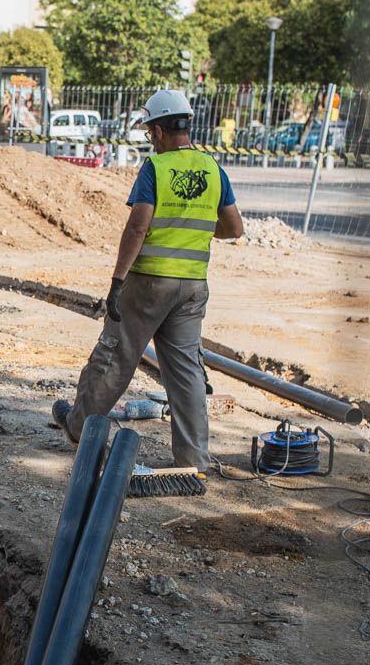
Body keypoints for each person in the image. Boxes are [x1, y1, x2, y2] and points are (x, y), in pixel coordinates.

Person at [52, 88, 244, 471]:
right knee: (186, 370)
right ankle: (194, 460)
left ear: (157, 131)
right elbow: (233, 228)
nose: (149, 140)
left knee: (115, 356)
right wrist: (195, 232)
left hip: (148, 284)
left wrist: (117, 280)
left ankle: (79, 427)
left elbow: (137, 228)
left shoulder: (156, 169)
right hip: (192, 287)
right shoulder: (212, 169)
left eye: (148, 133)